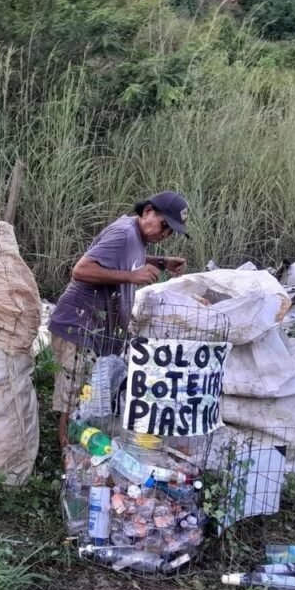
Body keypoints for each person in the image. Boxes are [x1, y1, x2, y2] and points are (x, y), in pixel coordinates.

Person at [48, 191, 191, 448]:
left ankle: (82, 453)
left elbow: (128, 259)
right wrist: (132, 277)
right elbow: (80, 270)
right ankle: (67, 463)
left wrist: (161, 261)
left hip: (95, 330)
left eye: (171, 232)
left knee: (87, 395)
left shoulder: (135, 238)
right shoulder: (124, 233)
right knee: (73, 400)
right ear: (147, 211)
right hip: (77, 326)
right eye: (165, 226)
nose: (165, 234)